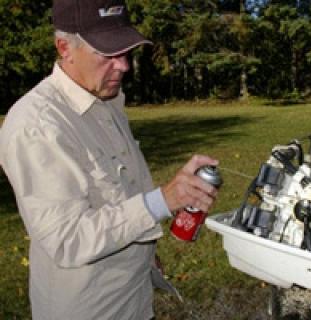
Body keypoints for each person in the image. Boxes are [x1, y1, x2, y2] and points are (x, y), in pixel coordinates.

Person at [0, 0, 219, 319]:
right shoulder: (37, 125)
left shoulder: (104, 100)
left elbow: (118, 192)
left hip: (132, 300)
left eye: (125, 51)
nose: (124, 66)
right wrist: (160, 201)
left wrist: (145, 254)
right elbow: (67, 239)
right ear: (64, 47)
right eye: (107, 54)